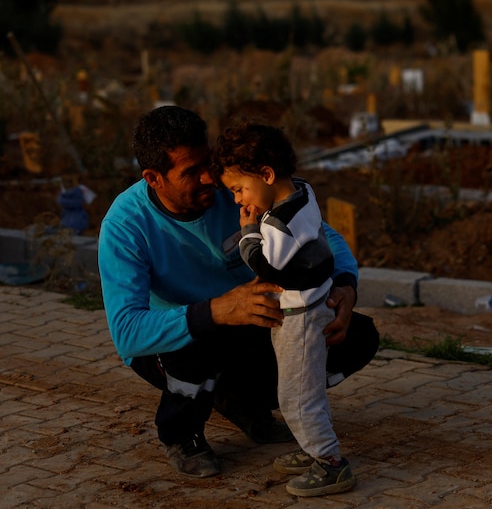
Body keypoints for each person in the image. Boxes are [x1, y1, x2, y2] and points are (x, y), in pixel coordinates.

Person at [97, 105, 379, 481]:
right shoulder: (125, 225)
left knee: (355, 336)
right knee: (197, 343)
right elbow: (128, 333)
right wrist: (214, 311)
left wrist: (344, 285)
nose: (208, 180)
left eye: (207, 165)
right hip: (180, 342)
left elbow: (321, 236)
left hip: (249, 318)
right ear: (154, 177)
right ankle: (182, 435)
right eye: (190, 173)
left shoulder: (238, 192)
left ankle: (243, 403)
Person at [210, 119, 355, 497]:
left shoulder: (277, 223)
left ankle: (330, 463)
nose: (238, 200)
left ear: (267, 175)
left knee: (296, 395)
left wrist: (248, 232)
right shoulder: (303, 192)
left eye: (240, 189)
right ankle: (312, 449)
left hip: (299, 319)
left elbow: (263, 264)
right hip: (315, 304)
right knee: (304, 389)